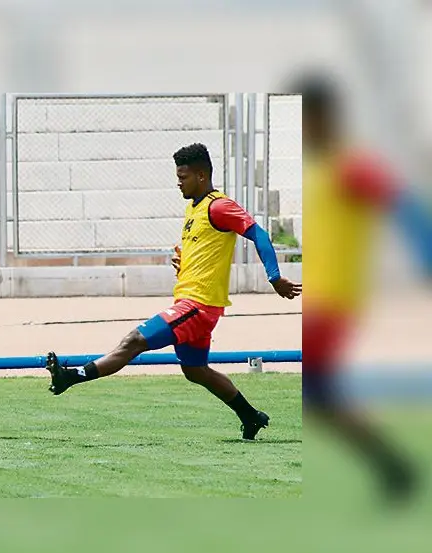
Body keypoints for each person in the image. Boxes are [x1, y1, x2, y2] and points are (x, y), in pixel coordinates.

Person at [45, 143, 301, 440]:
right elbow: (206, 251)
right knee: (195, 370)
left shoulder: (219, 206)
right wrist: (183, 261)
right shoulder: (193, 208)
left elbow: (259, 234)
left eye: (183, 177)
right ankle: (250, 415)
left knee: (134, 340)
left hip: (198, 306)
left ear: (201, 176)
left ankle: (71, 376)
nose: (178, 183)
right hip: (191, 302)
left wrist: (274, 277)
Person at [298, 74, 428, 500]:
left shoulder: (349, 164)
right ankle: (395, 469)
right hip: (315, 301)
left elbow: (399, 200)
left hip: (331, 303)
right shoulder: (318, 167)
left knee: (314, 394)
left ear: (320, 116)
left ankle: (396, 470)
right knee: (318, 399)